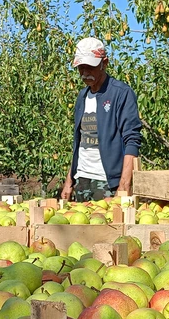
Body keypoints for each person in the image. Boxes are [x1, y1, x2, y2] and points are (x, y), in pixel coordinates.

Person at [60, 37, 142, 202]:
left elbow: (132, 140)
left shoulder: (121, 93)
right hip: (82, 179)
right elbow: (80, 141)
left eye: (90, 68)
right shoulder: (82, 96)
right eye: (80, 68)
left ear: (104, 63)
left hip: (107, 182)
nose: (84, 74)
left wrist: (124, 186)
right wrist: (69, 180)